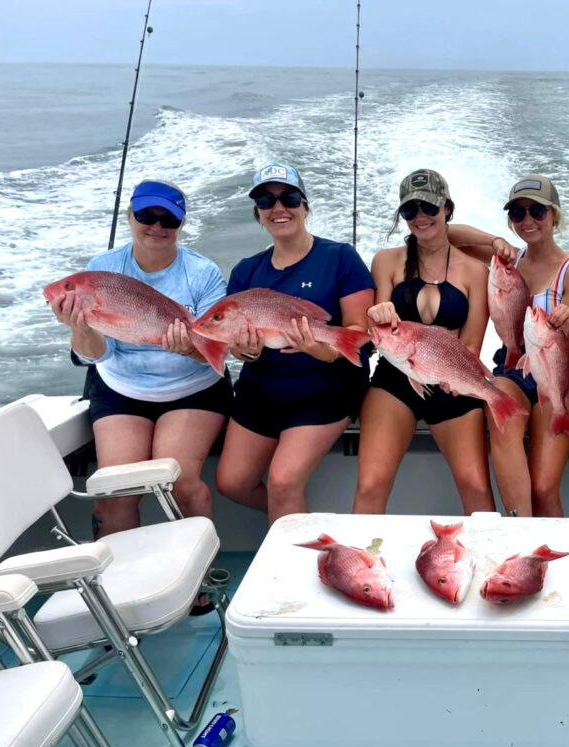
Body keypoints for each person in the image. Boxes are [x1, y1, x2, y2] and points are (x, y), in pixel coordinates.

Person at [49, 180, 231, 538]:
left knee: (178, 482)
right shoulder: (103, 269)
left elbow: (215, 347)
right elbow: (100, 352)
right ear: (130, 216)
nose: (157, 227)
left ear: (181, 225)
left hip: (193, 388)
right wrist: (81, 329)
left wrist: (190, 347)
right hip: (121, 388)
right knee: (113, 492)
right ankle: (116, 584)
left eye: (170, 221)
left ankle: (202, 585)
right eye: (147, 216)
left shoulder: (203, 272)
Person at [216, 163, 374, 525]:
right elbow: (240, 350)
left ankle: (290, 566)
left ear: (305, 206)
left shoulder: (339, 258)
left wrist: (319, 348)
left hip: (325, 391)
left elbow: (357, 331)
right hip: (262, 392)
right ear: (258, 214)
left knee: (283, 481)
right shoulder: (246, 272)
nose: (278, 208)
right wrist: (246, 349)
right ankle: (304, 521)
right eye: (266, 201)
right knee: (232, 482)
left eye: (289, 198)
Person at [352, 168, 494, 515]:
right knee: (370, 485)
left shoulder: (476, 271)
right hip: (394, 379)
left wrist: (453, 377)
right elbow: (375, 335)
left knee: (476, 486)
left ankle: (488, 561)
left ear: (447, 209)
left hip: (451, 381)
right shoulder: (386, 261)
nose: (420, 217)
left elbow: (472, 344)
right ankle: (360, 565)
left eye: (429, 208)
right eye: (410, 210)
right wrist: (378, 314)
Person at [487, 174, 569, 517]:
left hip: (558, 373)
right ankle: (520, 529)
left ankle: (547, 558)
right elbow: (450, 234)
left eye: (537, 211)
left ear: (554, 216)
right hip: (514, 367)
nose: (527, 221)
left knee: (544, 488)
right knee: (497, 410)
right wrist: (496, 239)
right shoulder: (506, 263)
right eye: (517, 214)